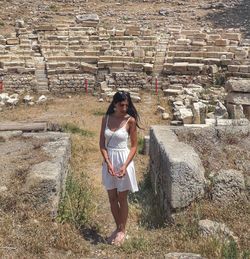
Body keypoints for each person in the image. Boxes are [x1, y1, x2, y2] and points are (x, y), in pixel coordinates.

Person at [99, 91, 140, 246]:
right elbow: (102, 144)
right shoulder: (106, 118)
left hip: (124, 160)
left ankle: (122, 231)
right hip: (109, 160)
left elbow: (134, 146)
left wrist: (125, 165)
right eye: (121, 105)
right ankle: (118, 228)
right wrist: (108, 162)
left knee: (122, 198)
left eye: (126, 105)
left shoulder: (130, 121)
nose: (124, 108)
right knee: (112, 197)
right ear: (114, 104)